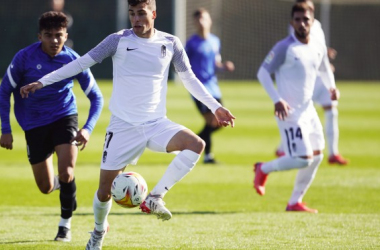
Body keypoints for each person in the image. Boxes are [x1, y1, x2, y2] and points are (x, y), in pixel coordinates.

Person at [19, 0, 235, 249]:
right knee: (104, 193)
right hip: (122, 127)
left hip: (156, 123)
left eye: (141, 13)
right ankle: (98, 232)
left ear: (153, 14)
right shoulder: (117, 40)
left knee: (196, 144)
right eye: (132, 14)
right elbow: (80, 63)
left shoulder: (171, 43)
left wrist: (215, 107)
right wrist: (42, 82)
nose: (136, 19)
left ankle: (155, 197)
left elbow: (190, 79)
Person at [0, 11, 103, 241]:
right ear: (40, 36)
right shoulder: (24, 58)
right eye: (49, 35)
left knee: (67, 171)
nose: (54, 40)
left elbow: (97, 97)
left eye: (59, 35)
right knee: (46, 186)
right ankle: (66, 188)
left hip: (64, 117)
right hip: (34, 124)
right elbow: (4, 90)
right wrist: (5, 129)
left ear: (66, 36)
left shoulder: (74, 60)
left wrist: (87, 128)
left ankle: (64, 225)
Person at [254, 2, 339, 213]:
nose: (302, 23)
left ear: (312, 21)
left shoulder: (318, 46)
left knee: (318, 156)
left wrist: (332, 88)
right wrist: (276, 99)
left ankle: (294, 202)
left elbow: (324, 68)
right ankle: (263, 168)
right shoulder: (284, 47)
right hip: (289, 113)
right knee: (303, 159)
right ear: (292, 22)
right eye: (298, 19)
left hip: (308, 110)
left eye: (306, 19)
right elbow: (262, 73)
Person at [275, 0, 348, 165]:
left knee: (332, 111)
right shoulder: (297, 25)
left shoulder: (317, 24)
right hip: (307, 79)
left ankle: (333, 153)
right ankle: (283, 147)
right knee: (301, 114)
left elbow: (317, 47)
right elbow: (300, 48)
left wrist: (325, 56)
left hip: (322, 78)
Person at [185, 8, 235, 164]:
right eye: (198, 19)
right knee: (212, 121)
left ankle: (190, 143)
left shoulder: (214, 41)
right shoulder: (191, 43)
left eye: (204, 18)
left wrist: (223, 66)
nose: (201, 22)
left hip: (214, 87)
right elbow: (183, 64)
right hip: (199, 89)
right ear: (194, 22)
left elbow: (215, 63)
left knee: (220, 122)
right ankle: (207, 156)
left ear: (210, 21)